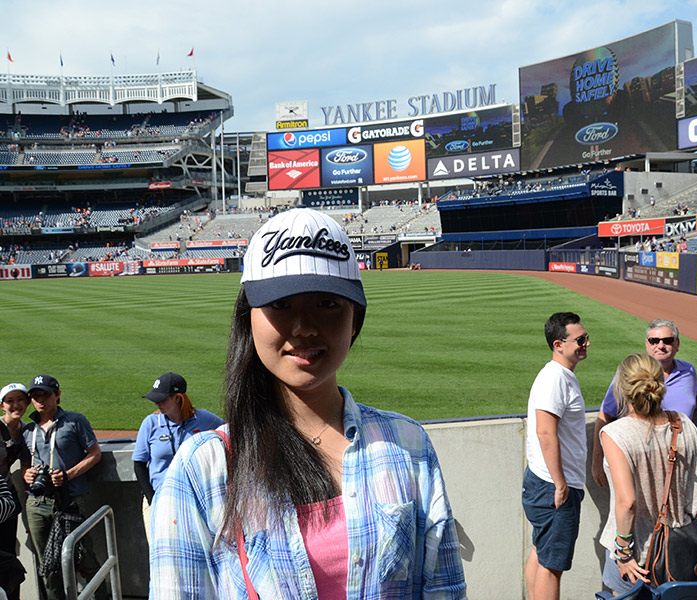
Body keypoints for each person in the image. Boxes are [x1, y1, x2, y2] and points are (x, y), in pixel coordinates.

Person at [150, 208, 466, 599]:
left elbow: (444, 590)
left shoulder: (408, 444)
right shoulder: (202, 468)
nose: (304, 327)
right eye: (281, 304)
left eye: (328, 303)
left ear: (356, 319)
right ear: (248, 318)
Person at [598, 353, 697, 594]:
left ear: (623, 388)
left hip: (639, 556)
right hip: (683, 549)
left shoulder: (615, 434)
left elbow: (627, 502)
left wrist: (623, 553)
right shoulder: (684, 422)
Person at [592, 319, 697, 487]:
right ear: (647, 344)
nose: (661, 346)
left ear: (677, 344)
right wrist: (596, 462)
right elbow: (604, 415)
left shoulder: (688, 371)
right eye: (654, 341)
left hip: (680, 460)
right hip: (643, 460)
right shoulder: (631, 374)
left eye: (667, 341)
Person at [20, 375, 107, 600]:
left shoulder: (75, 421)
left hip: (71, 500)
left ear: (57, 395)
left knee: (85, 558)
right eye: (35, 396)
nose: (41, 401)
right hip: (37, 504)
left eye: (46, 395)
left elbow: (94, 454)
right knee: (48, 565)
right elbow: (24, 467)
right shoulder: (27, 430)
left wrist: (68, 475)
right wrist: (27, 474)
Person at [522, 312, 589, 600]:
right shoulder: (555, 379)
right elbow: (545, 433)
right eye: (580, 340)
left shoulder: (560, 376)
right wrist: (561, 483)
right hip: (553, 485)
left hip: (545, 481)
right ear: (559, 344)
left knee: (541, 550)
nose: (586, 343)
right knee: (552, 566)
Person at [132, 372, 224, 544]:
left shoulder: (204, 419)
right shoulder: (151, 423)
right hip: (158, 499)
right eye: (155, 399)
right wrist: (153, 500)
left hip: (193, 500)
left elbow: (228, 436)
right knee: (160, 553)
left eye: (162, 399)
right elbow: (139, 464)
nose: (157, 403)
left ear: (178, 398)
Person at [0, 383, 30, 600]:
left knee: (9, 556)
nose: (16, 405)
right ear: (2, 405)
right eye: (10, 401)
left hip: (7, 500)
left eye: (20, 399)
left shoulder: (26, 431)